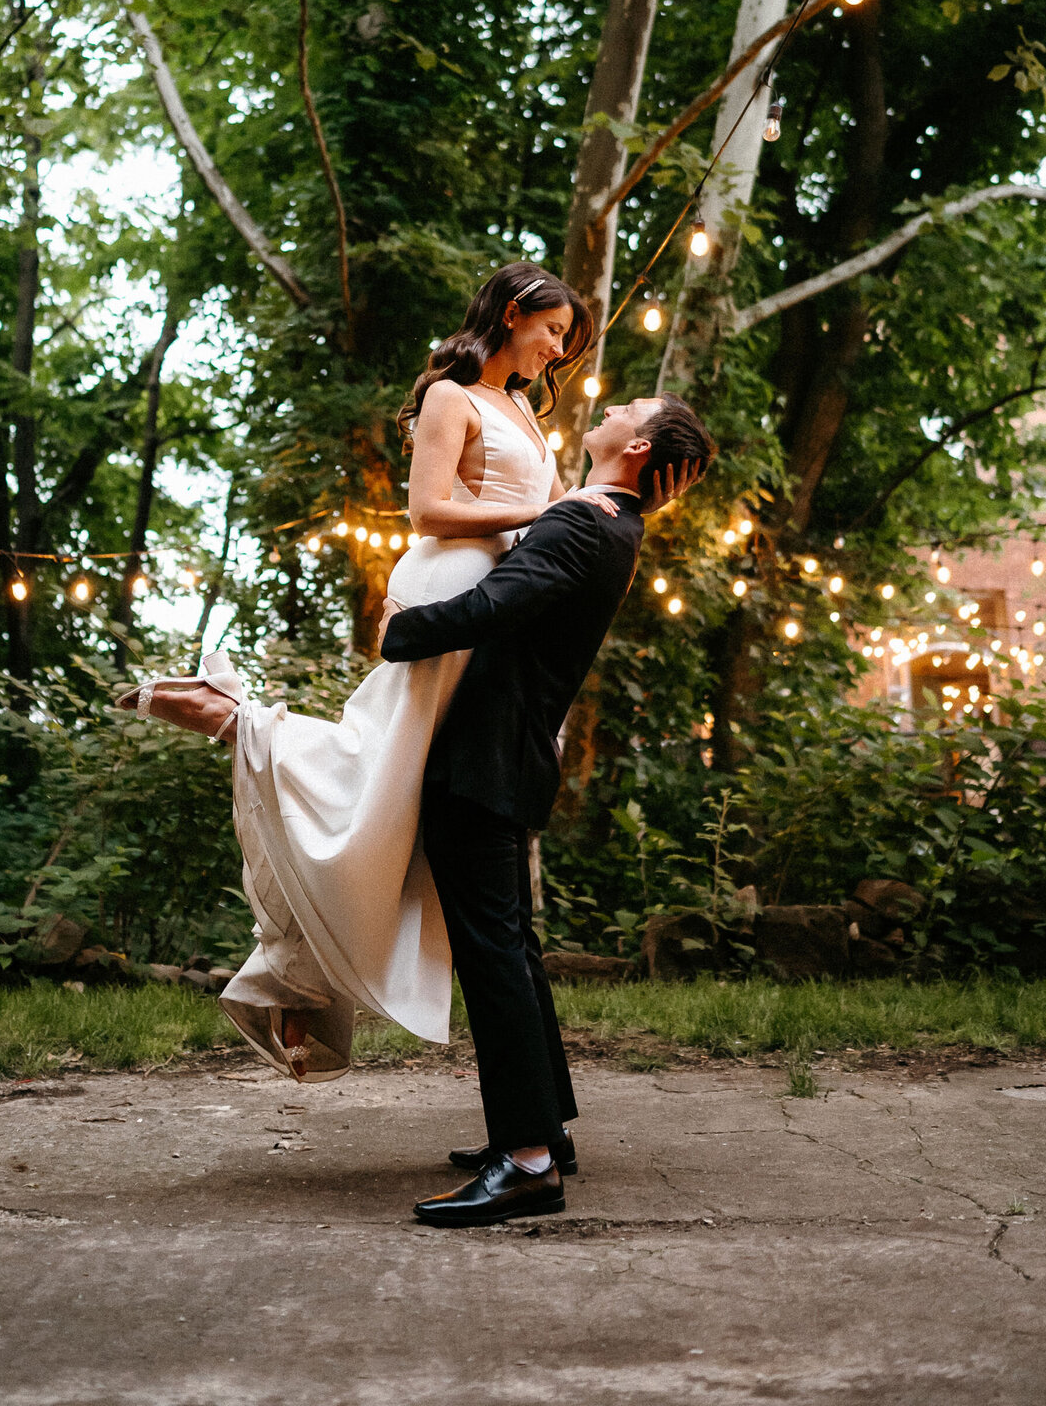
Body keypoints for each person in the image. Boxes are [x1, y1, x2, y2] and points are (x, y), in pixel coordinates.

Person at [120, 263, 671, 1082]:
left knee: (402, 803)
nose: (559, 353)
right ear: (514, 313)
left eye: (567, 342)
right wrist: (543, 511)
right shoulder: (454, 397)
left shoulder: (523, 409)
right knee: (380, 772)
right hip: (446, 589)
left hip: (489, 603)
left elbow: (570, 516)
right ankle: (243, 723)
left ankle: (299, 977)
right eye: (554, 332)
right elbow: (428, 510)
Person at [376, 389, 716, 1227]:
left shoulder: (585, 522)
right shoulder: (610, 524)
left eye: (633, 405)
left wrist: (400, 631)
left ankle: (525, 1163)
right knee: (513, 949)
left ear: (637, 448)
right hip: (515, 755)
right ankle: (548, 1131)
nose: (614, 404)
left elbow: (495, 608)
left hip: (486, 756)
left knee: (493, 956)